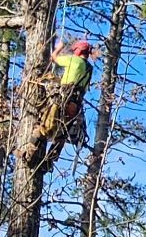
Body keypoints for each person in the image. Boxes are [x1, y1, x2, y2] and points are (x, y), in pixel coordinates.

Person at [25, 38, 94, 173]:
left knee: (43, 127)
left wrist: (58, 48)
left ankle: (28, 156)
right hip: (75, 106)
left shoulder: (73, 60)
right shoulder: (89, 68)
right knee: (61, 135)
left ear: (78, 51)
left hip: (62, 100)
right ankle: (48, 162)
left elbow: (54, 58)